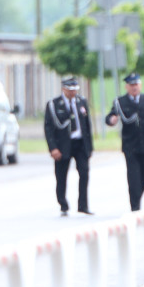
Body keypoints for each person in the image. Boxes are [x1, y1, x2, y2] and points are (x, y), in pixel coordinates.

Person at [105, 72, 144, 212]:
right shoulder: (120, 102)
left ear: (140, 85)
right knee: (134, 176)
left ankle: (137, 197)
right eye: (131, 85)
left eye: (136, 84)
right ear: (127, 87)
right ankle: (135, 206)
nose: (134, 87)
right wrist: (112, 120)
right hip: (130, 146)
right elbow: (110, 115)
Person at [44, 76, 94, 216]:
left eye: (75, 90)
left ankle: (83, 205)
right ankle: (63, 203)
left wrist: (89, 147)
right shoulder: (54, 104)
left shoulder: (81, 102)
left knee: (84, 173)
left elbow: (87, 126)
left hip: (80, 144)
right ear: (64, 89)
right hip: (63, 144)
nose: (73, 93)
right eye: (70, 90)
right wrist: (53, 148)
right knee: (61, 176)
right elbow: (48, 129)